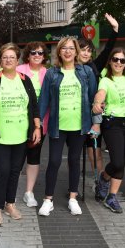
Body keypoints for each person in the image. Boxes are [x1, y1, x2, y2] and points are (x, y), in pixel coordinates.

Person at [0, 43, 41, 225]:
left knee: (15, 171)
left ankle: (10, 204)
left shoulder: (24, 79)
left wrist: (36, 127)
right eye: (5, 57)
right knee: (3, 170)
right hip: (0, 136)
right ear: (0, 59)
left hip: (21, 135)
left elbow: (34, 106)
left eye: (12, 57)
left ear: (17, 59)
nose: (8, 60)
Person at [38, 37, 98, 217]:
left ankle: (73, 198)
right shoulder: (51, 73)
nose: (68, 51)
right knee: (54, 161)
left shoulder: (86, 72)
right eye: (64, 48)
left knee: (74, 161)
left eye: (71, 48)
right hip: (58, 126)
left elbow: (94, 99)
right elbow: (44, 101)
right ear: (59, 52)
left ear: (76, 51)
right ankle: (48, 200)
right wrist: (37, 123)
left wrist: (96, 123)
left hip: (80, 126)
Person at [92, 48, 125, 213]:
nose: (119, 63)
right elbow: (100, 94)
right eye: (115, 59)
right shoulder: (106, 80)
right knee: (117, 162)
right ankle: (104, 179)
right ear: (110, 61)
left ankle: (111, 197)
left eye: (122, 60)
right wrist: (97, 103)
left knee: (122, 163)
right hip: (113, 124)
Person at [78, 13, 119, 180]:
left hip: (93, 115)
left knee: (94, 152)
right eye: (83, 50)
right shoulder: (68, 69)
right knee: (74, 155)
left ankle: (99, 182)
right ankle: (72, 185)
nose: (87, 54)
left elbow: (108, 50)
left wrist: (115, 29)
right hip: (74, 116)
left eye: (89, 51)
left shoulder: (94, 66)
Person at [16, 42, 48, 207]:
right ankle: (10, 193)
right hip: (18, 122)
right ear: (28, 55)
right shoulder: (19, 71)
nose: (37, 55)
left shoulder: (48, 74)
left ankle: (29, 192)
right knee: (17, 157)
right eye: (34, 53)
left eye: (40, 53)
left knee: (34, 157)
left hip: (40, 123)